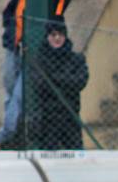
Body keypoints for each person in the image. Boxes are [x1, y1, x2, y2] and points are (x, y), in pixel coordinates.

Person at [0, 0, 72, 150]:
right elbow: (9, 12)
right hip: (13, 47)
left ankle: (4, 135)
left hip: (34, 50)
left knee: (19, 95)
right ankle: (13, 137)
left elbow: (58, 14)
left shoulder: (49, 3)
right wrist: (10, 29)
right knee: (10, 91)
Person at [30, 18, 89, 150]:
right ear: (47, 36)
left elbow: (80, 81)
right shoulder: (39, 59)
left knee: (76, 157)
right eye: (53, 34)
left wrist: (53, 79)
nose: (57, 38)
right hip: (47, 119)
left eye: (60, 34)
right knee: (49, 159)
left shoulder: (76, 59)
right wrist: (66, 82)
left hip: (70, 117)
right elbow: (39, 85)